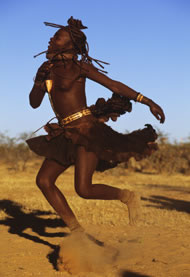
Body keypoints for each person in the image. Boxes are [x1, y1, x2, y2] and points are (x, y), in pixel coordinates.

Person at [27, 17, 165, 234]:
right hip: (65, 133)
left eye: (57, 36)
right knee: (44, 180)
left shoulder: (79, 67)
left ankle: (127, 196)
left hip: (87, 131)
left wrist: (147, 101)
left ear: (70, 44)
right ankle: (78, 233)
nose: (51, 39)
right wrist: (38, 81)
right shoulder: (47, 69)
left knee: (84, 189)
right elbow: (34, 103)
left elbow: (113, 84)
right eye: (53, 36)